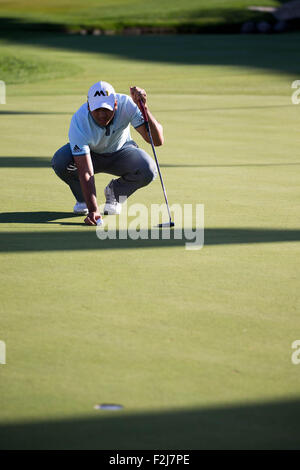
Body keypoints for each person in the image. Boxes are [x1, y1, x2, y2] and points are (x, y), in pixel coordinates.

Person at [51, 81, 164, 225]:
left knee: (148, 169)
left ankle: (115, 194)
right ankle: (84, 200)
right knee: (60, 161)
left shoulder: (128, 105)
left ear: (116, 104)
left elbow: (157, 140)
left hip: (122, 152)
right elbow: (85, 171)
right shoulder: (79, 121)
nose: (102, 115)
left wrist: (144, 109)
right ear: (88, 105)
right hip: (91, 156)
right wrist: (93, 210)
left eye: (107, 109)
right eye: (97, 109)